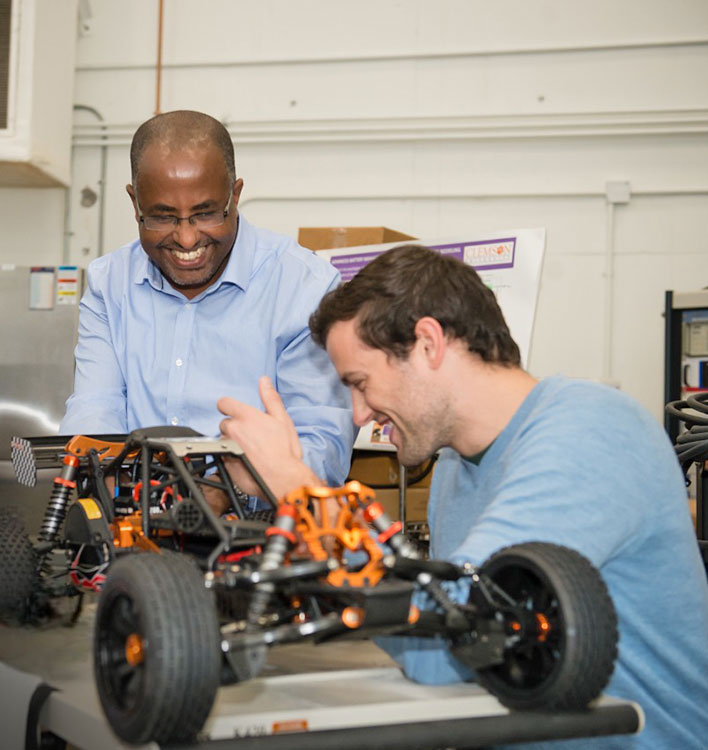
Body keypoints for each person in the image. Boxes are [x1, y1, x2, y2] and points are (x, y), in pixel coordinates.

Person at [218, 244, 708, 749]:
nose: (359, 414)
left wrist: (296, 489)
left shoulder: (591, 431)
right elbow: (426, 618)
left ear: (429, 343)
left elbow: (450, 647)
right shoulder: (453, 468)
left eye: (361, 384)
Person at [60, 110, 353, 510]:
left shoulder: (306, 287)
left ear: (236, 195)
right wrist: (105, 483)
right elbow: (95, 411)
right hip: (135, 527)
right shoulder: (110, 284)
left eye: (206, 213)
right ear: (135, 203)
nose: (185, 237)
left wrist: (223, 494)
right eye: (162, 216)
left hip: (262, 535)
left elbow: (322, 447)